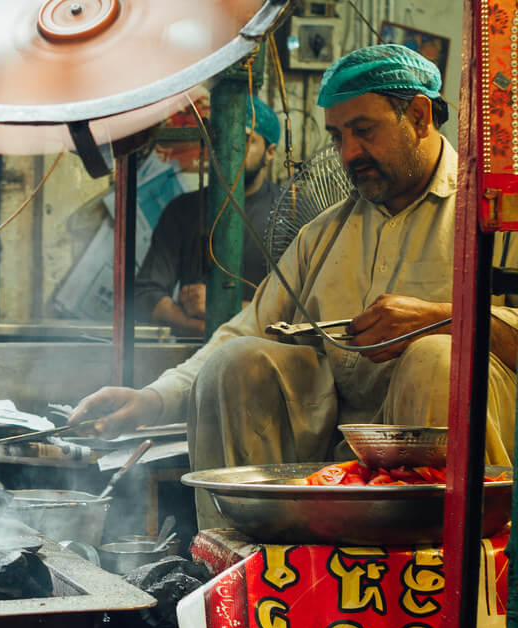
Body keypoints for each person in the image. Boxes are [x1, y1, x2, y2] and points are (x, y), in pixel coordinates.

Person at [70, 44, 518, 527]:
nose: (349, 154)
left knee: (437, 357)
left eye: (364, 131)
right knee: (235, 362)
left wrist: (443, 319)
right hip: (336, 457)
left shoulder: (498, 216)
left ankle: (437, 570)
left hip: (461, 475)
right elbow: (244, 332)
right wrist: (153, 400)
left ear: (419, 114)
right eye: (337, 136)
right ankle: (244, 561)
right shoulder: (322, 236)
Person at [132, 96, 282, 336]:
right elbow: (145, 294)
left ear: (270, 152)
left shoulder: (291, 212)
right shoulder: (183, 210)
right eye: (221, 138)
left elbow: (299, 306)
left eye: (245, 140)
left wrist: (220, 308)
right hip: (194, 356)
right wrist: (201, 328)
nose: (230, 150)